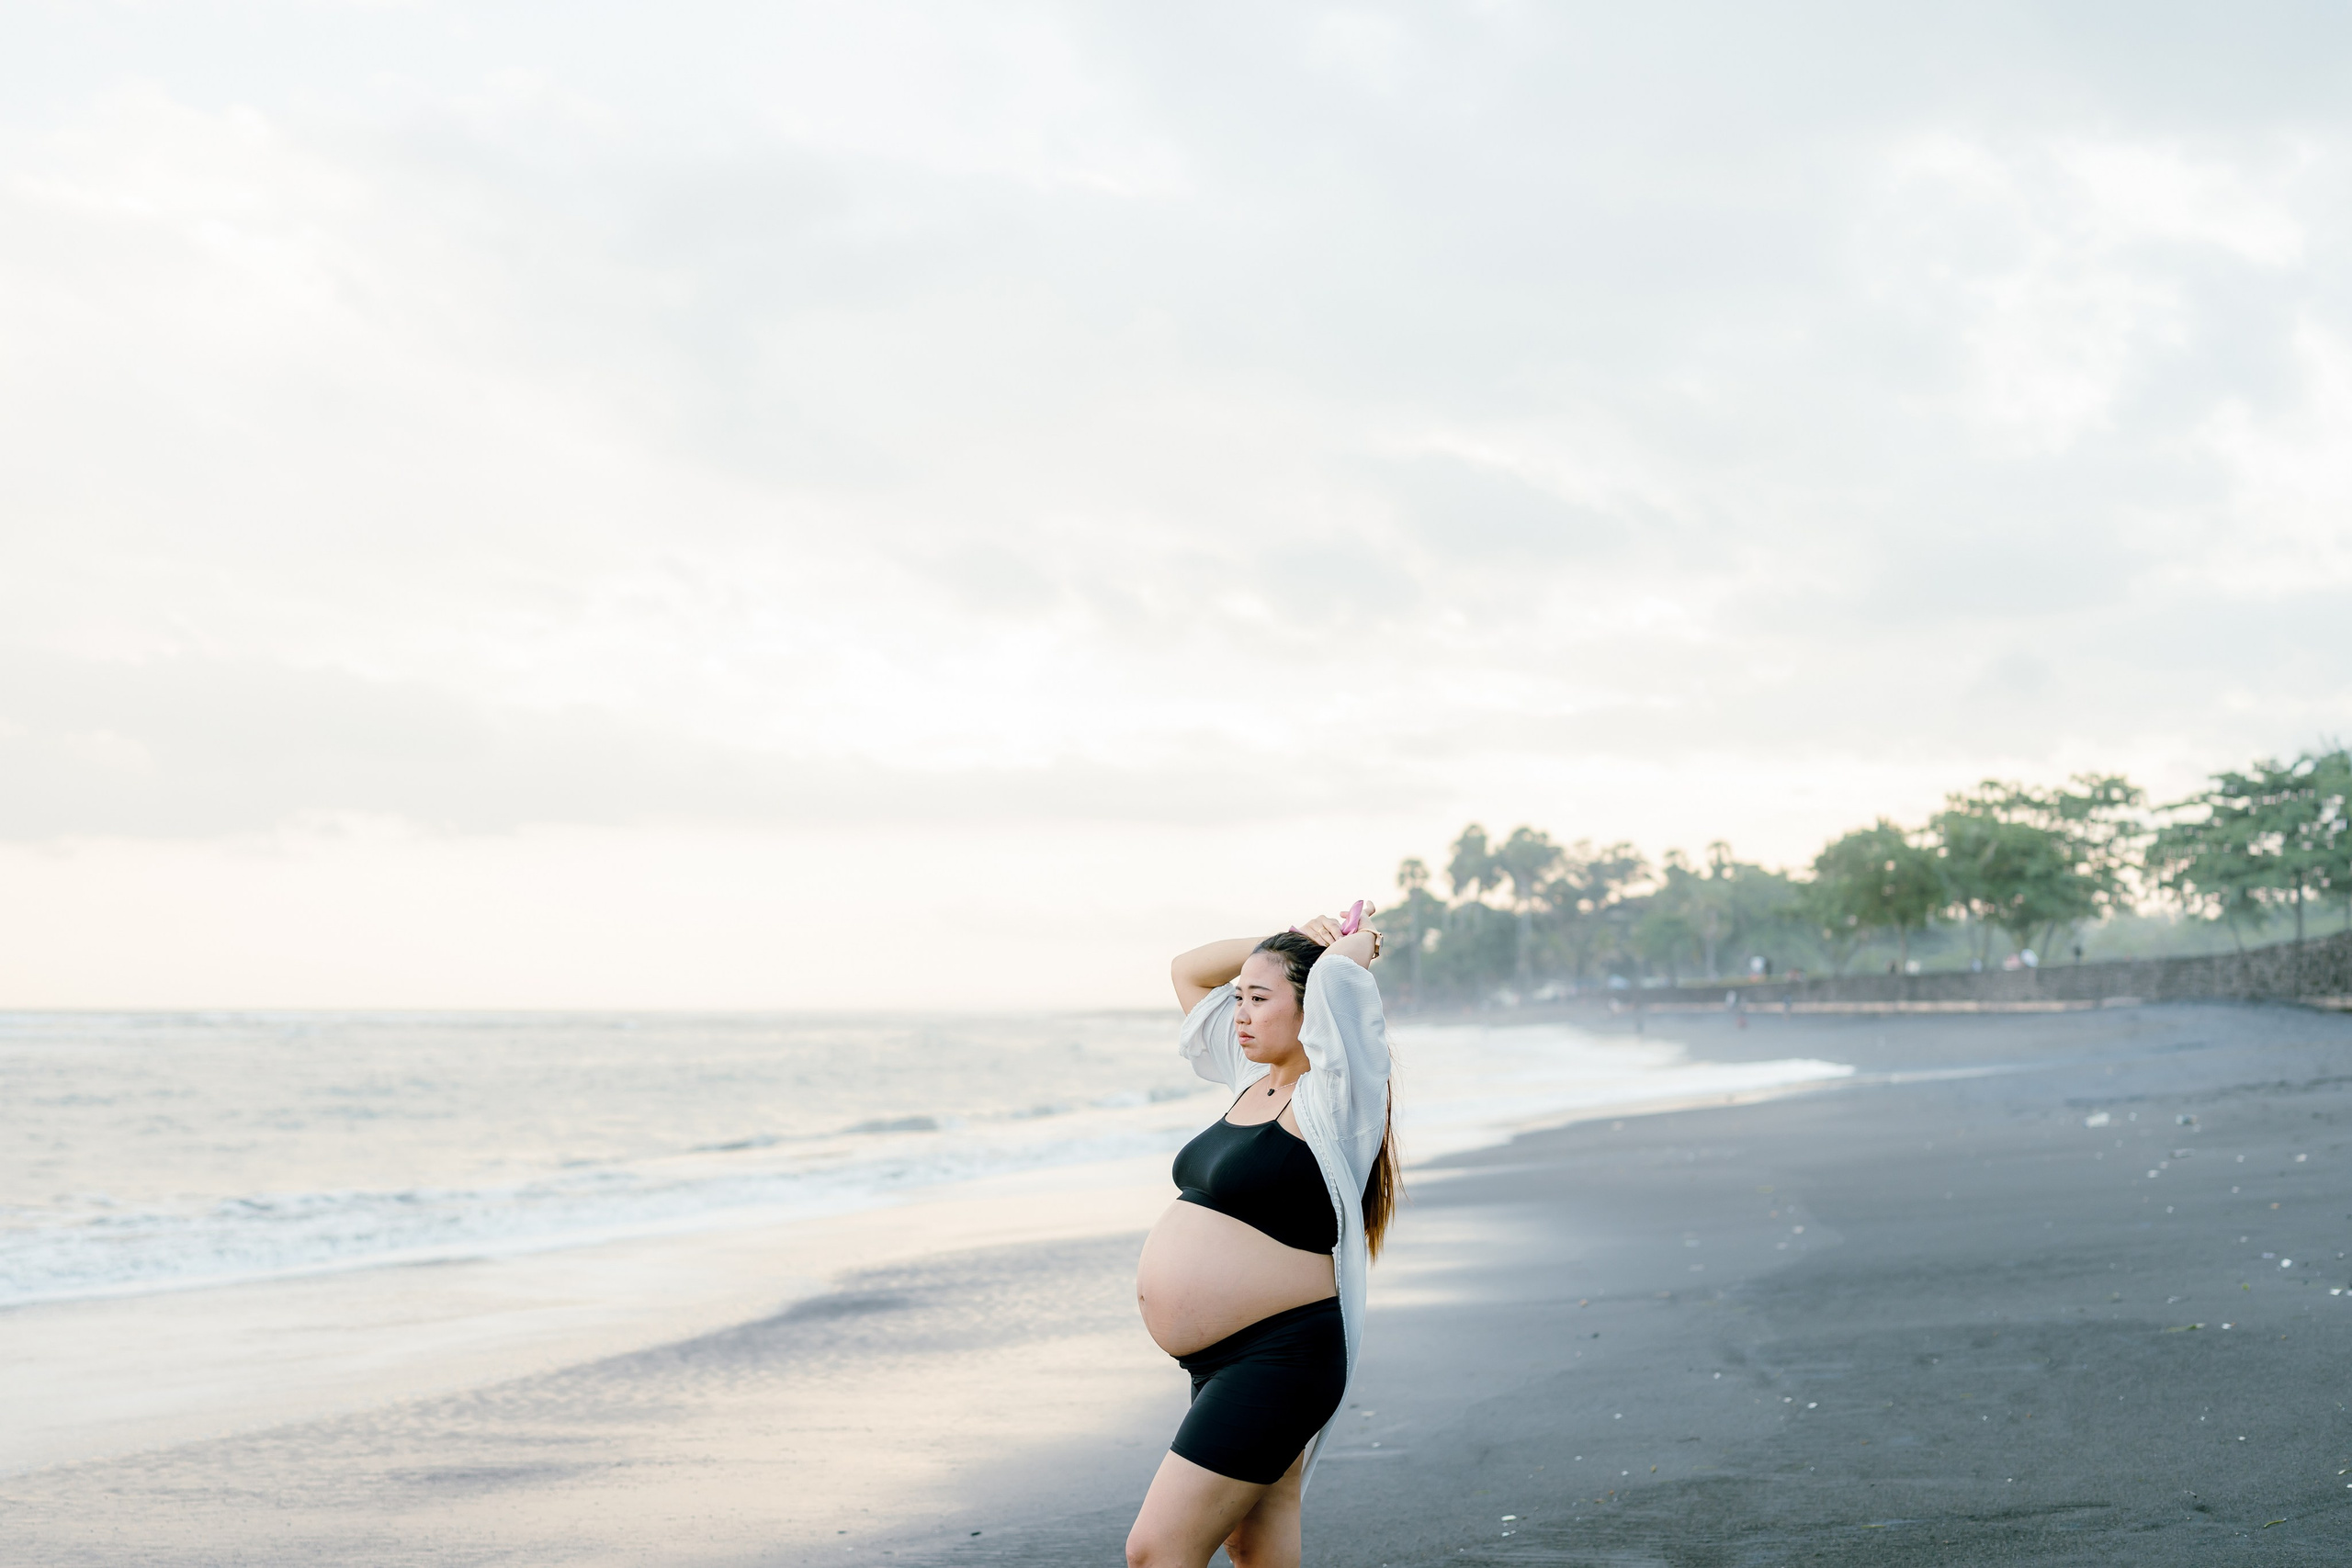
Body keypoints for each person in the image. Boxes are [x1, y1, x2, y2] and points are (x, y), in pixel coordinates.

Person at [1125, 907, 1398, 1568]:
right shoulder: (1251, 1080)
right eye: (1238, 998)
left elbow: (1336, 980)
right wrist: (1282, 945)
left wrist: (1354, 943)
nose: (1239, 1012)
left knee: (1155, 1550)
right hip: (1222, 1361)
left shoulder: (1336, 1099)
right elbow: (1187, 969)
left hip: (1281, 1357)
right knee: (1257, 1549)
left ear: (1310, 1012)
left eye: (1259, 998)